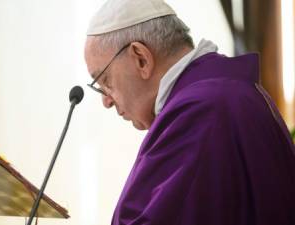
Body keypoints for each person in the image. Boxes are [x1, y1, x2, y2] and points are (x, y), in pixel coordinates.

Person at [83, 0, 295, 224]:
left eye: (104, 81)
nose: (106, 100)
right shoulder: (223, 94)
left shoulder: (202, 112)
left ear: (141, 58)